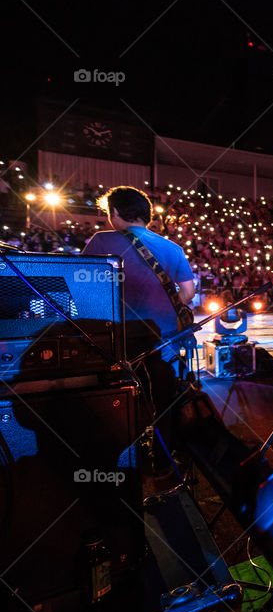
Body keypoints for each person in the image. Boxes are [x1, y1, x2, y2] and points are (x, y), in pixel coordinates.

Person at [82, 186, 196, 443]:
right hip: (164, 340)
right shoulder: (172, 248)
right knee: (164, 400)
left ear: (114, 212)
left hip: (119, 340)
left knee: (122, 399)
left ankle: (129, 454)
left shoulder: (102, 241)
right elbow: (188, 291)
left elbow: (85, 288)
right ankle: (165, 456)